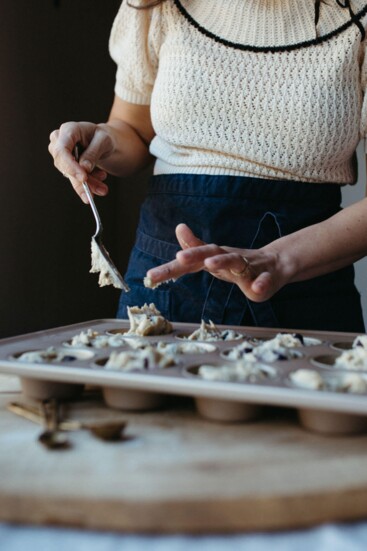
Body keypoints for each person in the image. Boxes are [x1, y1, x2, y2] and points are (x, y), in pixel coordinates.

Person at [49, 0, 367, 333]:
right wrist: (103, 140)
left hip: (305, 284)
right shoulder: (157, 6)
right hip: (165, 279)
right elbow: (135, 130)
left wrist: (280, 260)